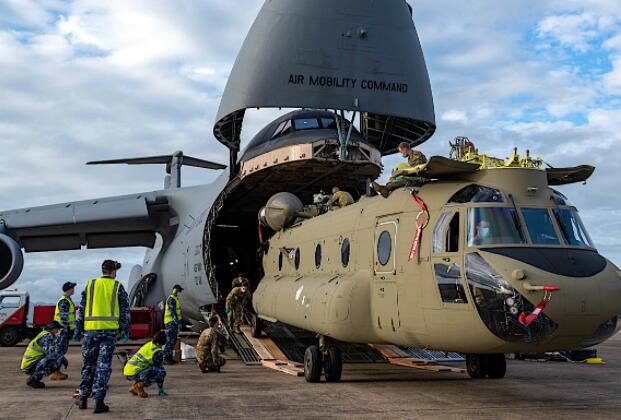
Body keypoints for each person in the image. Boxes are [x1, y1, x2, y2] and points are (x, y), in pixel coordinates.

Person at [74, 259, 130, 414]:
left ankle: (83, 398)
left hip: (90, 332)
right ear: (113, 272)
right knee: (103, 366)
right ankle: (99, 401)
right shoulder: (118, 287)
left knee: (88, 366)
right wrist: (123, 329)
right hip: (109, 334)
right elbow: (125, 311)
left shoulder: (90, 285)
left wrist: (78, 329)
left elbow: (81, 309)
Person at [21, 321, 67, 389]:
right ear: (53, 329)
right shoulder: (47, 336)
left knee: (56, 359)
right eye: (57, 329)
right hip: (30, 364)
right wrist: (62, 359)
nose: (58, 331)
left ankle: (34, 377)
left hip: (30, 362)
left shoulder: (45, 334)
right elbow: (50, 354)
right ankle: (34, 379)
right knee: (54, 362)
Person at [124, 331, 167, 398]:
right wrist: (161, 389)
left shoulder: (150, 344)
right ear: (163, 340)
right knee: (161, 372)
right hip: (135, 372)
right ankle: (139, 385)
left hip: (128, 371)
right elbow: (159, 368)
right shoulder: (158, 351)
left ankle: (135, 387)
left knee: (150, 369)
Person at [51, 281, 77, 381]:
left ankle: (56, 371)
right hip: (62, 331)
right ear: (69, 289)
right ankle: (55, 372)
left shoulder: (67, 300)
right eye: (73, 288)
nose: (74, 290)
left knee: (60, 351)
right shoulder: (64, 301)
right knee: (59, 352)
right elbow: (63, 316)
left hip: (63, 330)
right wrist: (67, 329)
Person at [163, 284, 184, 365]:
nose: (179, 292)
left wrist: (180, 321)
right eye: (179, 290)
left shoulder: (175, 299)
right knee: (170, 340)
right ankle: (166, 357)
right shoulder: (171, 299)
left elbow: (177, 312)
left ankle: (169, 357)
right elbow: (172, 312)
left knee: (173, 341)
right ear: (175, 290)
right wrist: (176, 321)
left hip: (173, 323)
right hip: (171, 322)